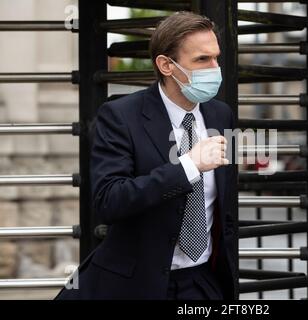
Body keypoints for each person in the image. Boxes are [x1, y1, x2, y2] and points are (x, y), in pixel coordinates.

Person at [55, 11, 237, 300]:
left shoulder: (220, 114)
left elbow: (221, 208)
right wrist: (189, 165)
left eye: (216, 58)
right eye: (202, 60)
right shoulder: (120, 116)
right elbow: (108, 200)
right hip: (136, 284)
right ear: (166, 65)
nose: (215, 68)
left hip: (201, 282)